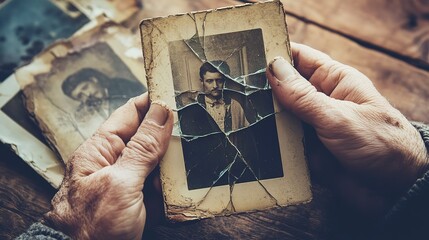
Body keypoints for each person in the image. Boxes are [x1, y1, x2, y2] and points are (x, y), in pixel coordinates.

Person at [17, 43, 429, 239]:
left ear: (224, 81)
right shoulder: (190, 112)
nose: (213, 86)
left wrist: (412, 166)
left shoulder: (240, 107)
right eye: (207, 81)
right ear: (200, 83)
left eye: (218, 80)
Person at [62, 68, 146, 119]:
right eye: (80, 96)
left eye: (85, 87)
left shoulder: (122, 86)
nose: (87, 94)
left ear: (94, 80)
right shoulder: (92, 111)